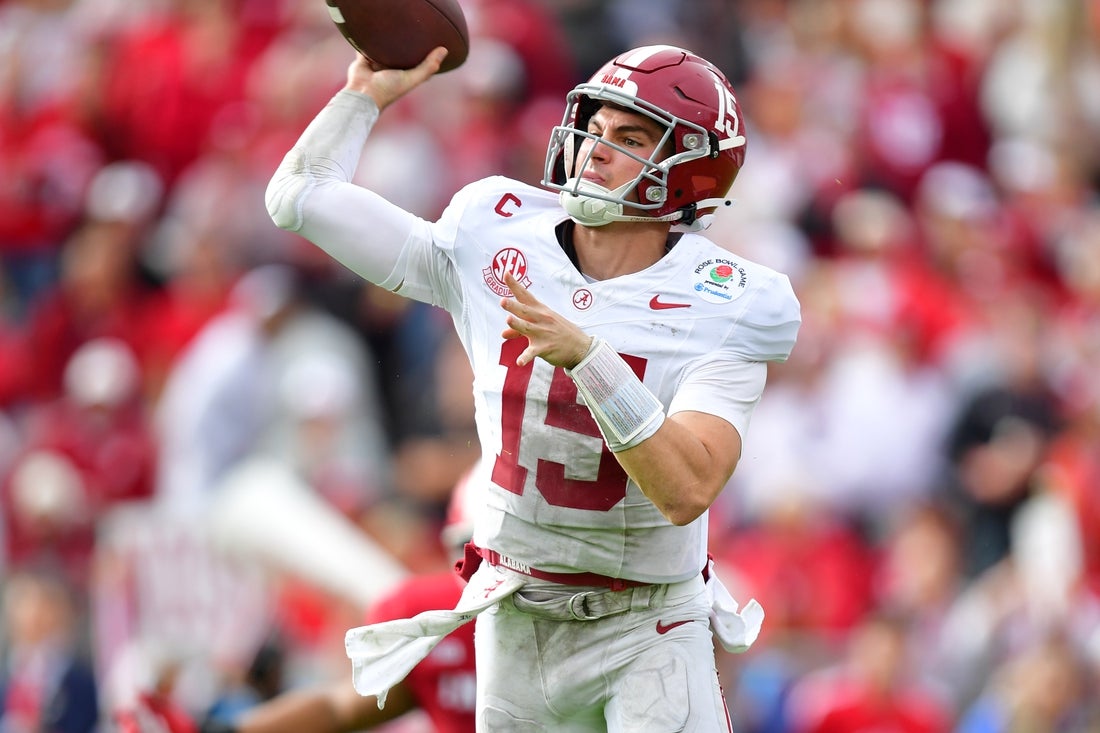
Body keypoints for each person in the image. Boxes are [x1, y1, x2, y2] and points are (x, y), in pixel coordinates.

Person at [265, 42, 801, 731]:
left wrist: (591, 360)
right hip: (515, 610)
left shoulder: (725, 299)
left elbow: (686, 488)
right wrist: (360, 100)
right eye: (595, 128)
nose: (595, 150)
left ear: (689, 170)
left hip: (649, 623)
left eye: (630, 138)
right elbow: (299, 198)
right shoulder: (497, 228)